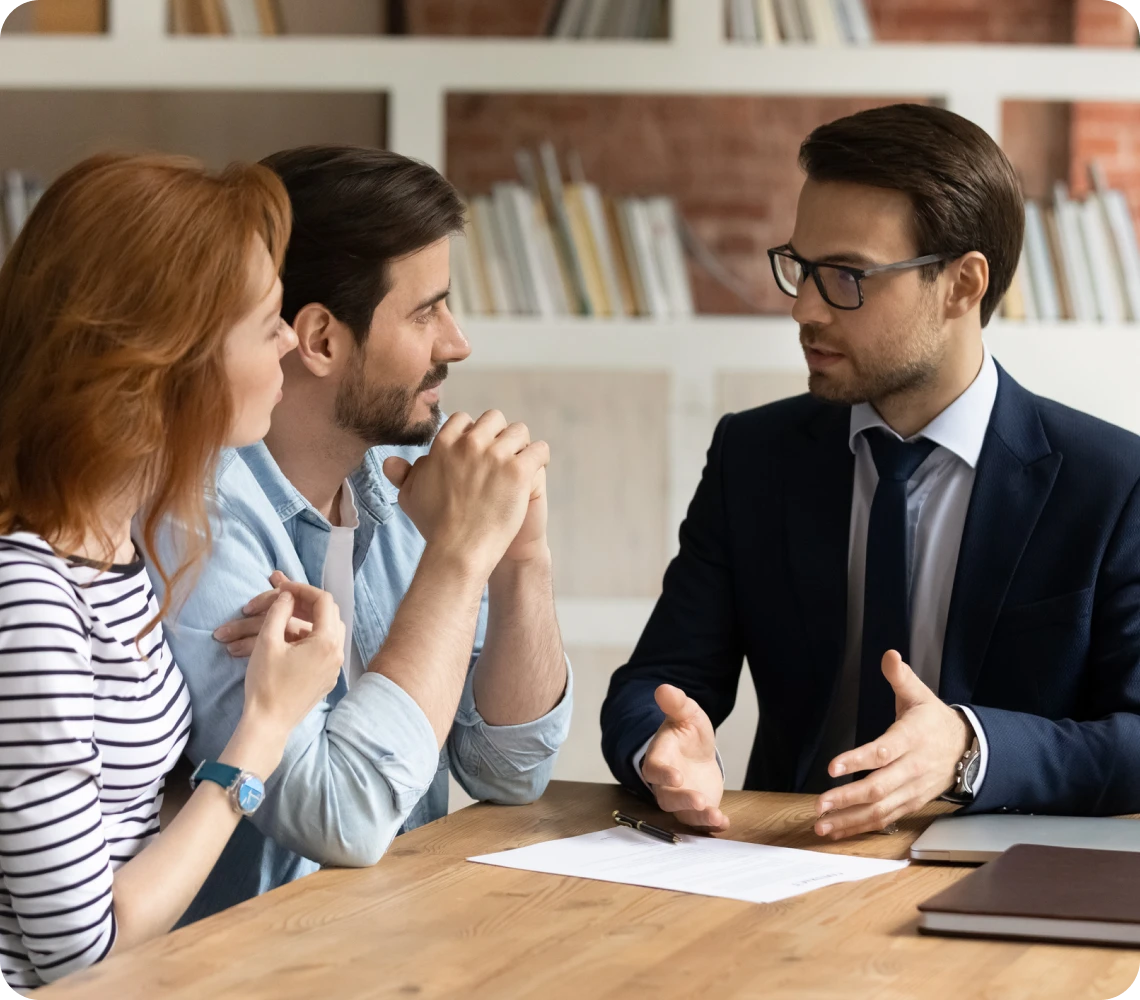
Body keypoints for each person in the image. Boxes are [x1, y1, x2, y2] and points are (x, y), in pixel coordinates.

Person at [601, 103, 1140, 839]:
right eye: (800, 268)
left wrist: (970, 749)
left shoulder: (1111, 483)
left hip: (1003, 872)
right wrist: (660, 749)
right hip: (783, 860)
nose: (804, 309)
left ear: (962, 285)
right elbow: (656, 681)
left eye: (847, 276)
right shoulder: (754, 456)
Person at [152, 145, 571, 924]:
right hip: (247, 973)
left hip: (402, 947)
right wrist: (458, 557)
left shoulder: (410, 469)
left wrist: (519, 560)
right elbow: (337, 816)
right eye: (426, 311)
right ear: (317, 339)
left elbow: (509, 769)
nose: (457, 342)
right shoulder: (196, 518)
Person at [0, 152, 346, 995]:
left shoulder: (117, 552)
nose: (290, 354)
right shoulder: (28, 595)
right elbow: (82, 949)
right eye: (268, 324)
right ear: (167, 361)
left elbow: (110, 824)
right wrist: (261, 730)